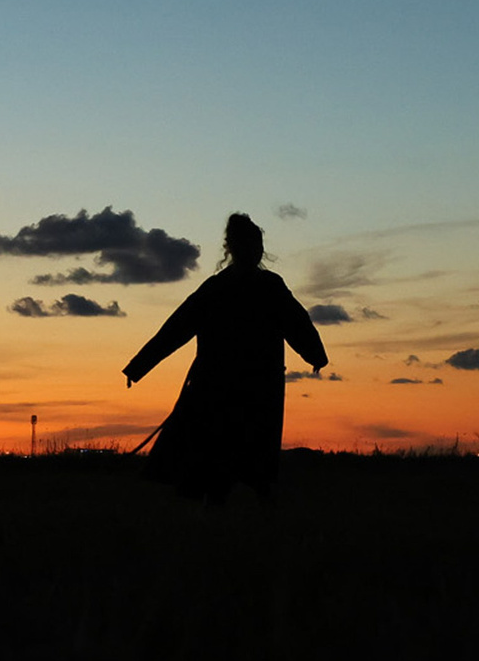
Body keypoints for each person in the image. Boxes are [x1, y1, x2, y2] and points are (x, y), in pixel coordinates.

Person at [122, 213, 328, 503]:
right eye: (247, 246)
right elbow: (176, 328)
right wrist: (138, 367)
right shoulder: (222, 289)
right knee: (221, 454)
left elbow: (298, 324)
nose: (252, 251)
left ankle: (232, 508)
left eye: (255, 246)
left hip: (249, 386)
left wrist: (316, 354)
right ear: (234, 249)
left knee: (241, 453)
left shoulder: (262, 288)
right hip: (225, 386)